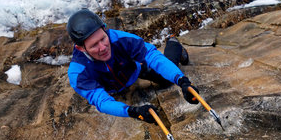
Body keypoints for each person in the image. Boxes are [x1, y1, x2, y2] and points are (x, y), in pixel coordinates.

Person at [66, 9, 199, 123]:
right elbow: (101, 101)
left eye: (103, 39)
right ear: (81, 48)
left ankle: (173, 44)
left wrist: (182, 81)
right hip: (110, 89)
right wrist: (133, 111)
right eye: (94, 45)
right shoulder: (78, 72)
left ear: (105, 30)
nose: (103, 47)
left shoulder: (120, 38)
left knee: (166, 80)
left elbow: (152, 56)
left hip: (134, 71)